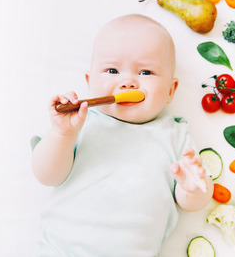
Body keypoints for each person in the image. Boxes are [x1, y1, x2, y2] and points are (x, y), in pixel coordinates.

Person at [31, 14, 214, 256]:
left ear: (170, 90)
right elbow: (47, 176)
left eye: (146, 72)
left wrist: (192, 189)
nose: (128, 82)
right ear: (90, 82)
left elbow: (191, 204)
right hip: (62, 249)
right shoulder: (80, 123)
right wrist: (61, 134)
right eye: (112, 70)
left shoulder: (175, 134)